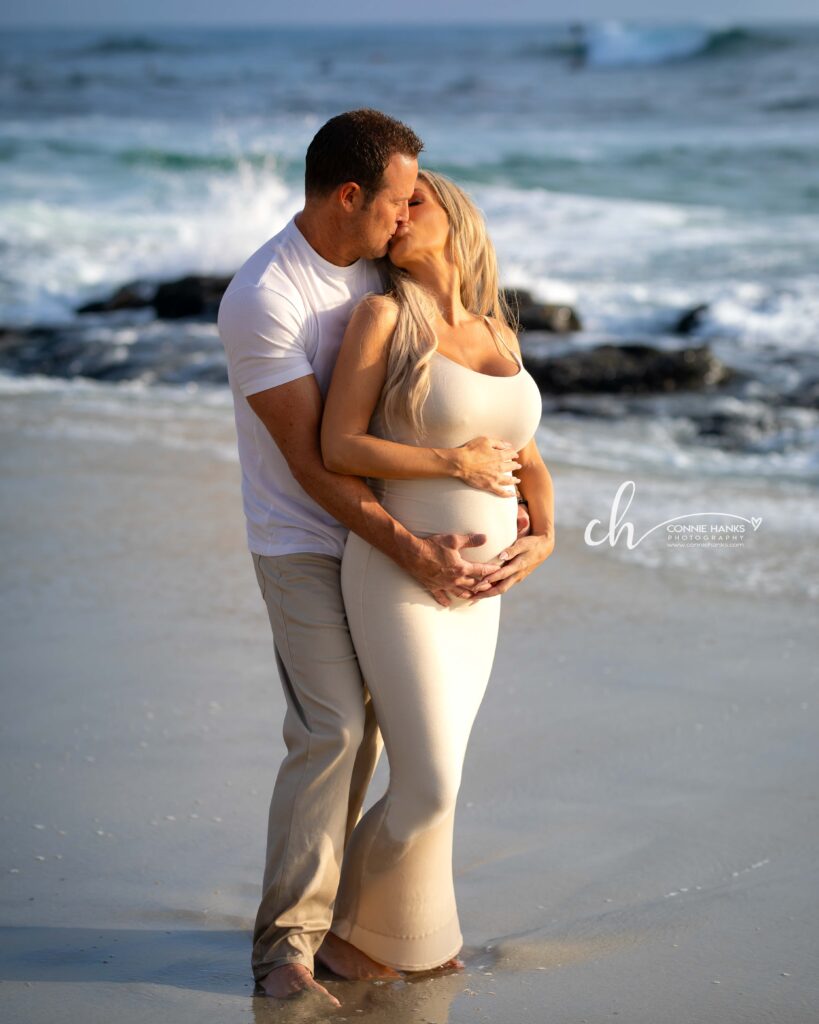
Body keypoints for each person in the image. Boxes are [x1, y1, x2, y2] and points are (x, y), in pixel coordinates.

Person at [217, 110, 526, 1006]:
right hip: (307, 538)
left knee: (398, 743)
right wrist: (417, 543)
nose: (405, 217)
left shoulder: (379, 277)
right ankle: (286, 947)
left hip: (393, 542)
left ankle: (368, 929)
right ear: (349, 196)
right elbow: (316, 463)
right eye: (395, 201)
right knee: (334, 733)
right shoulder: (265, 298)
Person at [319, 169, 555, 971]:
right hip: (399, 574)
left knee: (442, 771)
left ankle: (398, 939)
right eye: (389, 204)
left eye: (411, 201)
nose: (394, 216)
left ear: (453, 215)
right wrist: (449, 461)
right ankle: (333, 926)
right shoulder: (382, 317)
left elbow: (529, 462)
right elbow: (338, 446)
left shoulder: (498, 332)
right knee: (428, 782)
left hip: (482, 593)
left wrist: (546, 536)